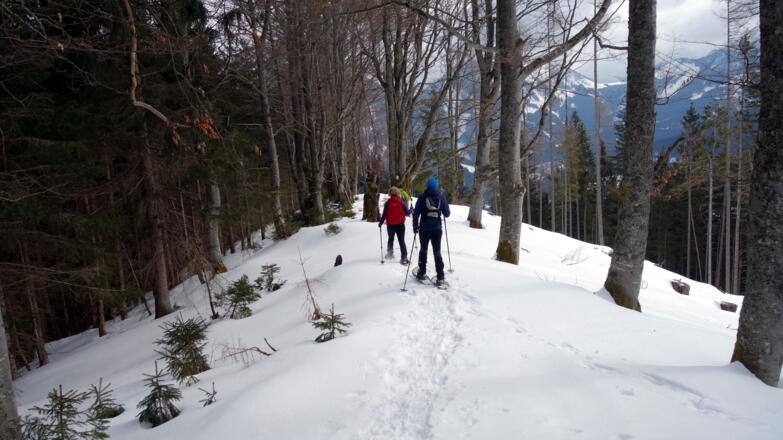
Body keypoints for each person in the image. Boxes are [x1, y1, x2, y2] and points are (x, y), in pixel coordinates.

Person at [412, 177, 450, 285]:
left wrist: (415, 226)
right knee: (437, 252)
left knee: (423, 250)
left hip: (424, 229)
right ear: (436, 186)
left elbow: (416, 214)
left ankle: (422, 272)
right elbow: (447, 214)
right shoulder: (441, 197)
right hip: (437, 229)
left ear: (427, 186)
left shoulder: (422, 197)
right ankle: (440, 277)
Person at [379, 186, 412, 265]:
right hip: (400, 224)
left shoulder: (388, 203)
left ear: (390, 193)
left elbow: (384, 214)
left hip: (390, 225)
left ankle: (390, 253)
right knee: (401, 241)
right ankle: (404, 257)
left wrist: (381, 222)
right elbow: (407, 213)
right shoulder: (401, 202)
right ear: (398, 193)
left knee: (391, 239)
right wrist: (411, 210)